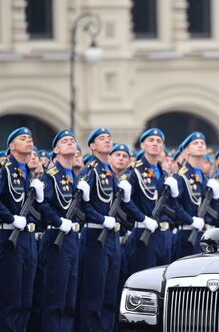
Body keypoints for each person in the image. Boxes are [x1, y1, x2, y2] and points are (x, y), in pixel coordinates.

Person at [77, 128, 122, 331]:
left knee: (109, 295)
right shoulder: (90, 170)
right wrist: (101, 219)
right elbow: (82, 206)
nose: (107, 141)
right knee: (94, 295)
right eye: (101, 138)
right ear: (92, 146)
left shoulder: (108, 171)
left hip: (110, 237)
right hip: (96, 236)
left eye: (109, 138)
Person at [37, 130, 79, 331]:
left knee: (69, 299)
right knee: (55, 298)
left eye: (72, 140)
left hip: (71, 239)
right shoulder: (51, 176)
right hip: (56, 237)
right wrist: (58, 221)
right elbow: (42, 205)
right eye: (65, 141)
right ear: (56, 149)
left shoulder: (75, 177)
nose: (70, 143)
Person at [0, 127, 41, 331]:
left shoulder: (26, 172)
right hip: (9, 236)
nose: (28, 141)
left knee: (26, 298)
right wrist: (10, 217)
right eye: (22, 138)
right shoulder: (5, 168)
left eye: (30, 138)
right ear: (11, 146)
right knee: (11, 297)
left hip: (26, 239)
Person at [123, 128, 178, 276]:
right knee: (144, 279)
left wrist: (174, 194)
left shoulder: (164, 174)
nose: (155, 144)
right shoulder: (135, 172)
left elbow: (172, 207)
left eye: (159, 141)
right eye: (151, 140)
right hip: (144, 234)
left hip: (164, 235)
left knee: (163, 280)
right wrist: (143, 218)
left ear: (163, 147)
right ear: (142, 145)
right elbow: (125, 202)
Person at [173, 132, 208, 259]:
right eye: (195, 143)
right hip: (186, 233)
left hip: (202, 234)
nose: (200, 145)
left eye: (202, 143)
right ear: (187, 151)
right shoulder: (182, 175)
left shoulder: (204, 177)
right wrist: (191, 220)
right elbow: (173, 204)